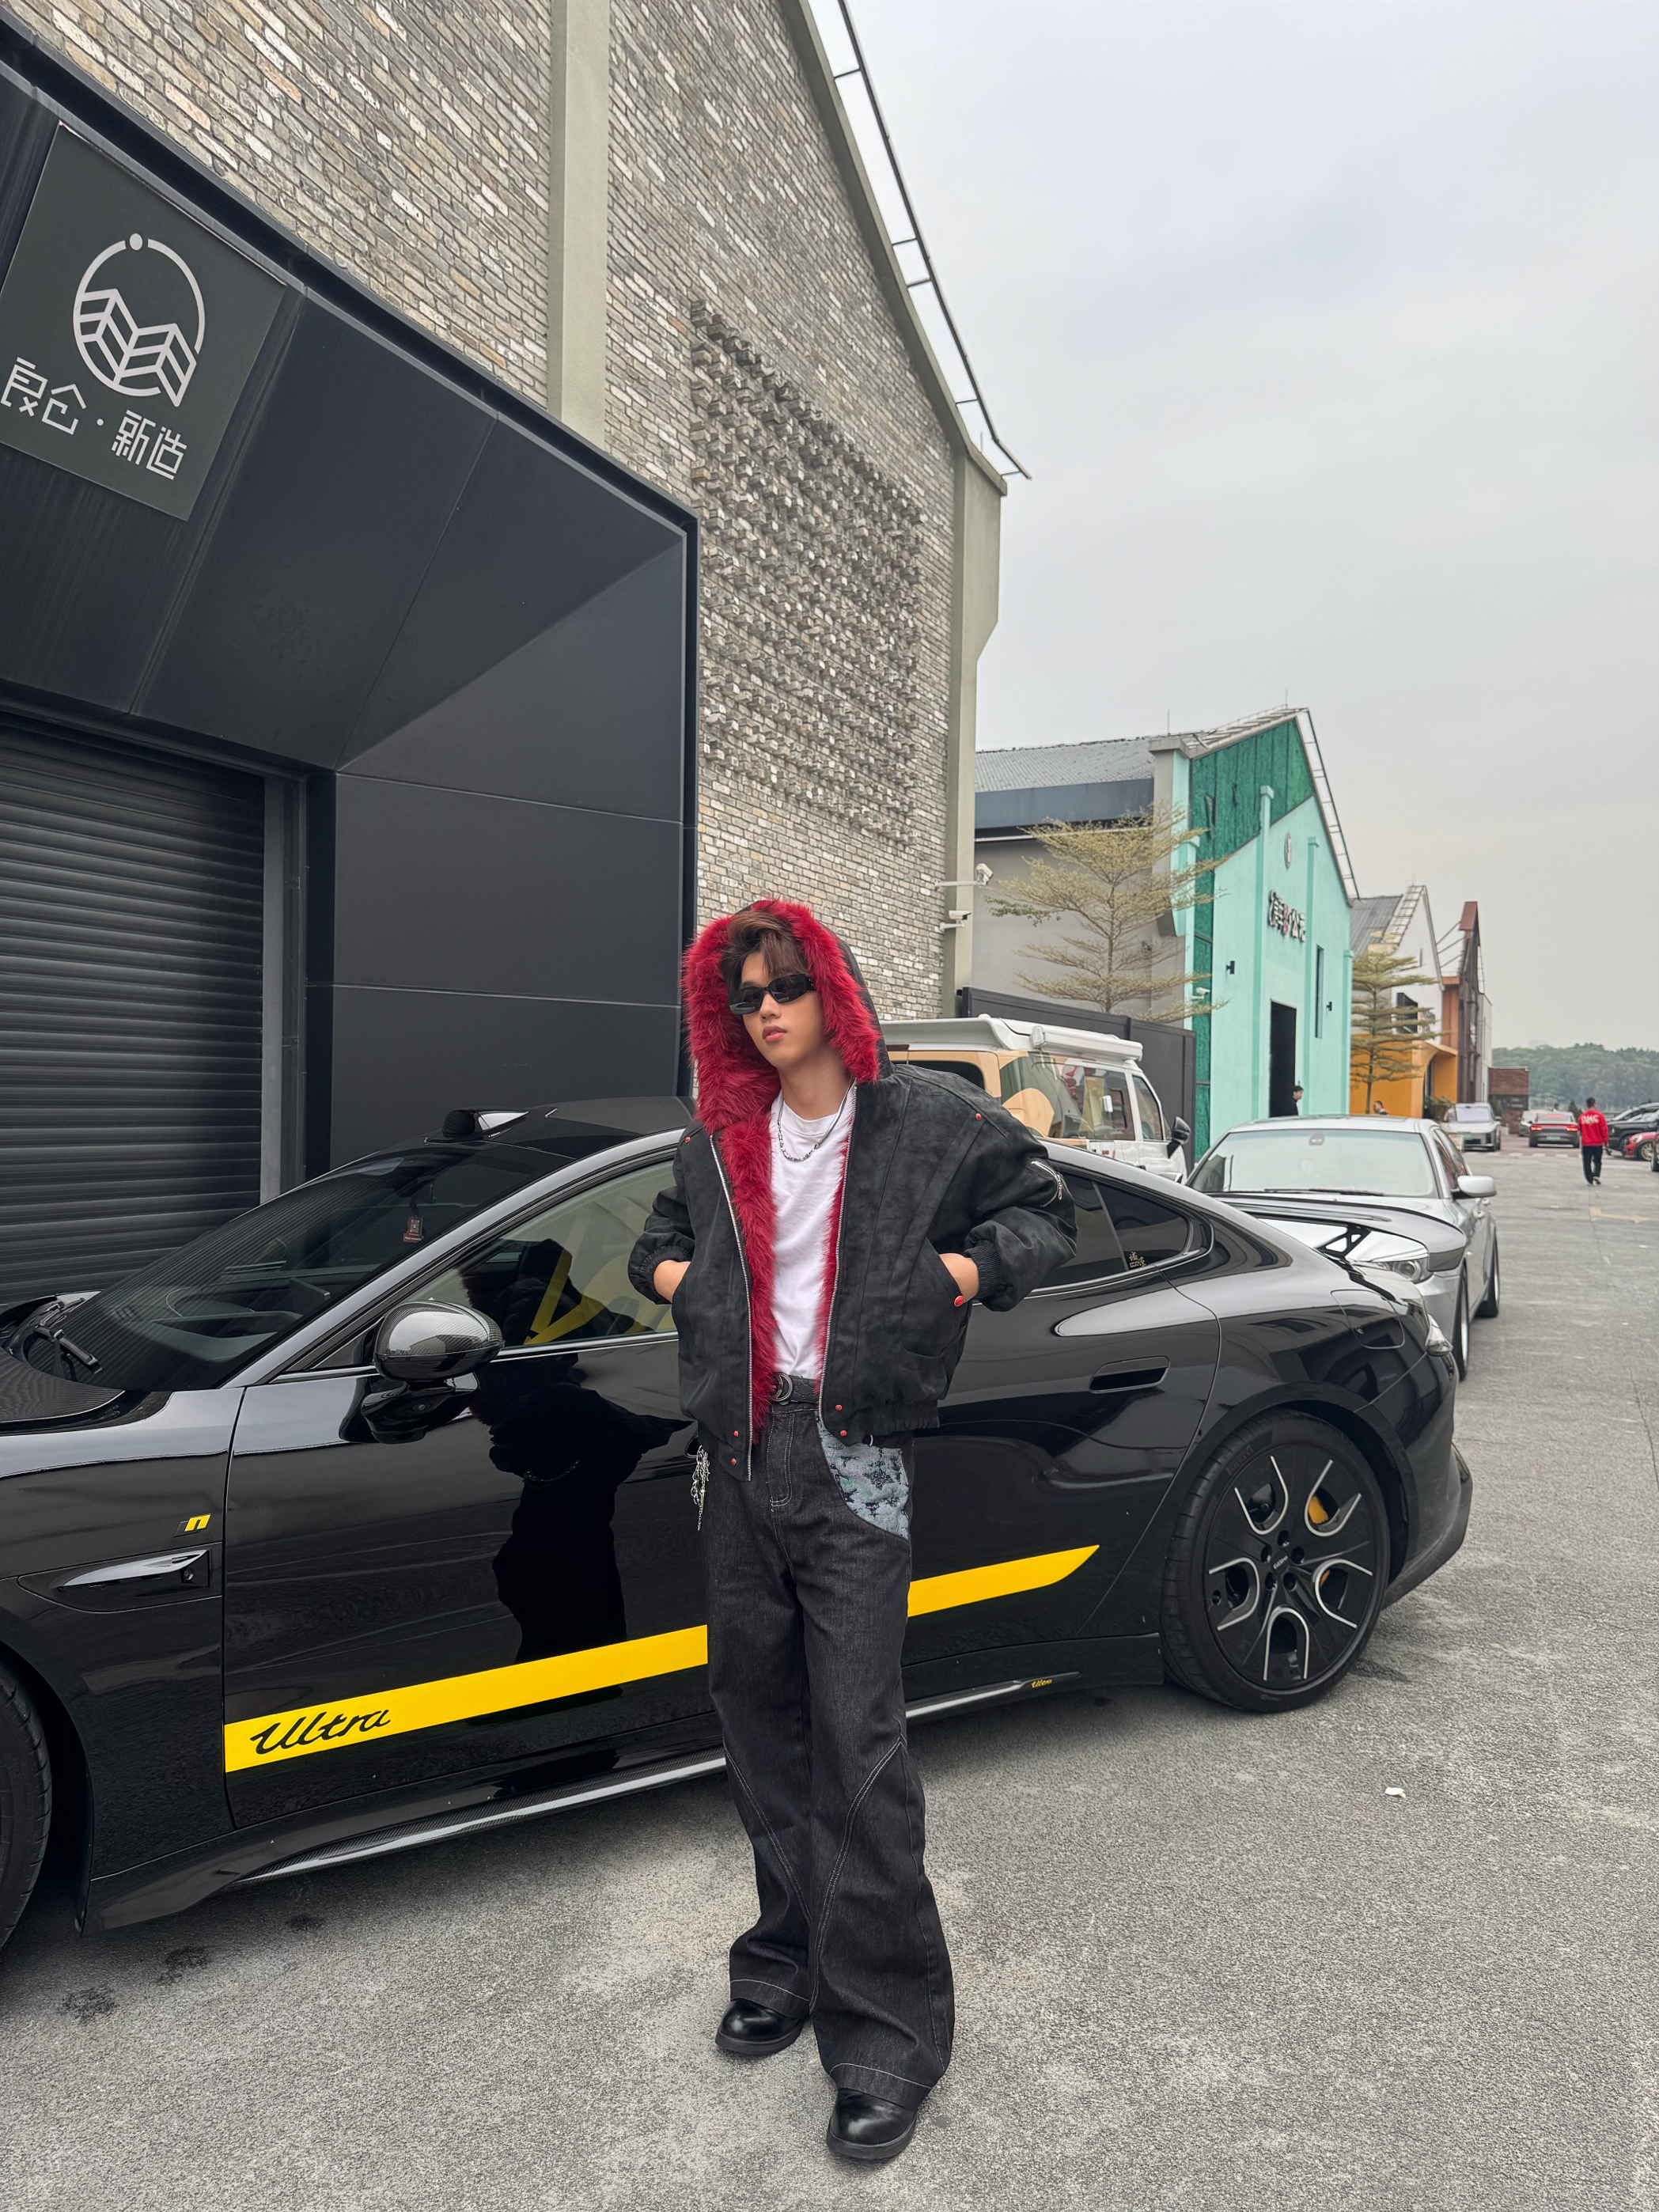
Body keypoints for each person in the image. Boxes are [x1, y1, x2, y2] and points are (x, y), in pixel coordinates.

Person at [627, 900, 1074, 2165]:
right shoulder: (721, 1133)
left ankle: (885, 2038)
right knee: (756, 1721)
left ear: (833, 988)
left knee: (858, 1741)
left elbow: (1045, 1213)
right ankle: (784, 1960)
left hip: (854, 1453)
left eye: (787, 986)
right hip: (737, 1450)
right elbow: (652, 1251)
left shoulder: (925, 1120)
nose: (767, 1010)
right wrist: (701, 1288)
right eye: (745, 996)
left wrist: (954, 1275)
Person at [1578, 1097, 1609, 1186]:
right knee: (1597, 1161)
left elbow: (1579, 1129)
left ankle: (1590, 1179)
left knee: (1587, 1162)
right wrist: (1606, 1141)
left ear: (1587, 1105)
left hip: (1586, 1144)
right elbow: (1604, 1130)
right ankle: (1596, 1175)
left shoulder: (1582, 1117)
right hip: (1597, 1143)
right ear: (1594, 1105)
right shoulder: (1599, 1116)